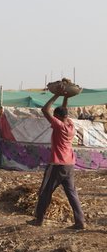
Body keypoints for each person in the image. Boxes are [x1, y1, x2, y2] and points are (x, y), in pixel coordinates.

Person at [31, 93, 85, 230]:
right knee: (72, 193)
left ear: (58, 117)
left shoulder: (59, 126)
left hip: (57, 164)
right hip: (69, 164)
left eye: (55, 116)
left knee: (45, 191)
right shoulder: (70, 124)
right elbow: (63, 110)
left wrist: (57, 94)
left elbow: (45, 110)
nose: (53, 118)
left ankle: (38, 219)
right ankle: (80, 221)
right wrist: (66, 97)